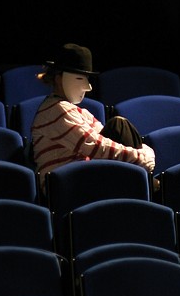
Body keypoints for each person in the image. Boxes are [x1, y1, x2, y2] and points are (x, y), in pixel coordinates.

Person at [31, 43, 156, 193]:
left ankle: (144, 184)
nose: (88, 87)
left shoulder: (75, 111)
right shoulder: (56, 110)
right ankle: (145, 184)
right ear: (58, 78)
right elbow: (96, 146)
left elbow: (105, 139)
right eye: (79, 78)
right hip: (66, 186)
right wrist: (141, 157)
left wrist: (143, 152)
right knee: (119, 131)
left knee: (119, 125)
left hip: (84, 178)